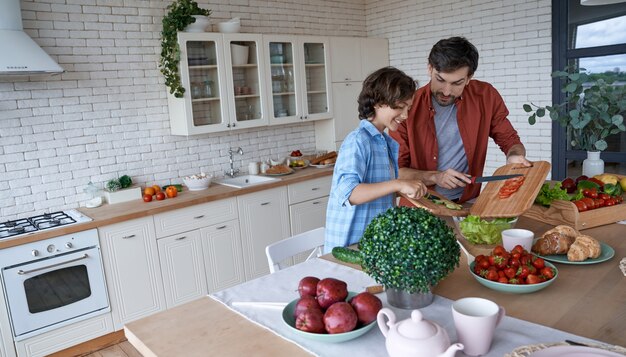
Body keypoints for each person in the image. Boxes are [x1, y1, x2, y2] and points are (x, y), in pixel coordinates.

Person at [390, 36, 532, 205]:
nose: (447, 91)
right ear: (430, 68)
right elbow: (396, 171)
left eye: (457, 83)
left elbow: (509, 139)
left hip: (466, 202)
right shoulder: (407, 107)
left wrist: (514, 155)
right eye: (440, 80)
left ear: (469, 77)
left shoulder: (485, 96)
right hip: (421, 206)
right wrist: (435, 176)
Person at [324, 67, 427, 253]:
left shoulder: (386, 143)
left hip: (373, 245)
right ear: (378, 103)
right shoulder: (358, 140)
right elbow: (350, 194)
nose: (405, 115)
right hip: (349, 248)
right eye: (399, 106)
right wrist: (398, 184)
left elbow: (379, 190)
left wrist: (405, 189)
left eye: (408, 108)